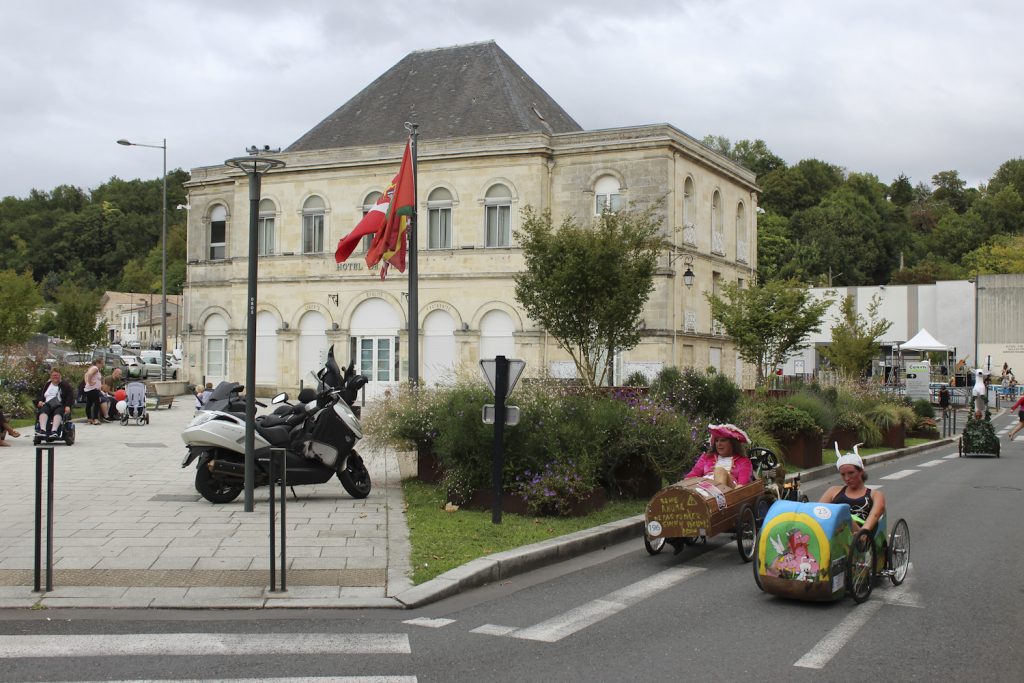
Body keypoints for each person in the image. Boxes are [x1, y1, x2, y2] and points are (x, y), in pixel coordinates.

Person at [819, 449, 886, 537]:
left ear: (861, 471)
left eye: (851, 473)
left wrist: (862, 533)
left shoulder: (875, 495)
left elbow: (875, 515)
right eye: (843, 474)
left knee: (843, 512)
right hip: (835, 531)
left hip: (859, 533)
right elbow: (817, 511)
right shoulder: (833, 491)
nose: (847, 478)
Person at [685, 423, 754, 486]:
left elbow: (743, 485)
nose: (719, 444)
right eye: (717, 441)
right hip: (704, 489)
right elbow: (692, 475)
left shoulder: (744, 461)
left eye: (723, 440)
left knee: (719, 471)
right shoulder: (706, 457)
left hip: (730, 493)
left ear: (732, 443)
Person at [36, 370, 75, 441]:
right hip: (47, 404)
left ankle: (54, 431)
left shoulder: (65, 385)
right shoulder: (47, 385)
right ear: (51, 376)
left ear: (60, 376)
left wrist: (68, 405)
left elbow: (70, 396)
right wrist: (40, 401)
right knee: (43, 410)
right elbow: (42, 395)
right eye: (53, 375)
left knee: (58, 411)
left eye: (57, 375)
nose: (55, 377)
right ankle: (42, 430)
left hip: (60, 404)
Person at [83, 357, 105, 425]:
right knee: (96, 403)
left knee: (89, 404)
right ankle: (95, 419)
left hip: (90, 389)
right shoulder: (95, 368)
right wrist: (90, 382)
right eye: (102, 363)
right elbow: (89, 374)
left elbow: (86, 375)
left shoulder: (92, 368)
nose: (103, 365)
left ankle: (89, 419)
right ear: (98, 363)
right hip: (93, 389)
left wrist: (87, 382)